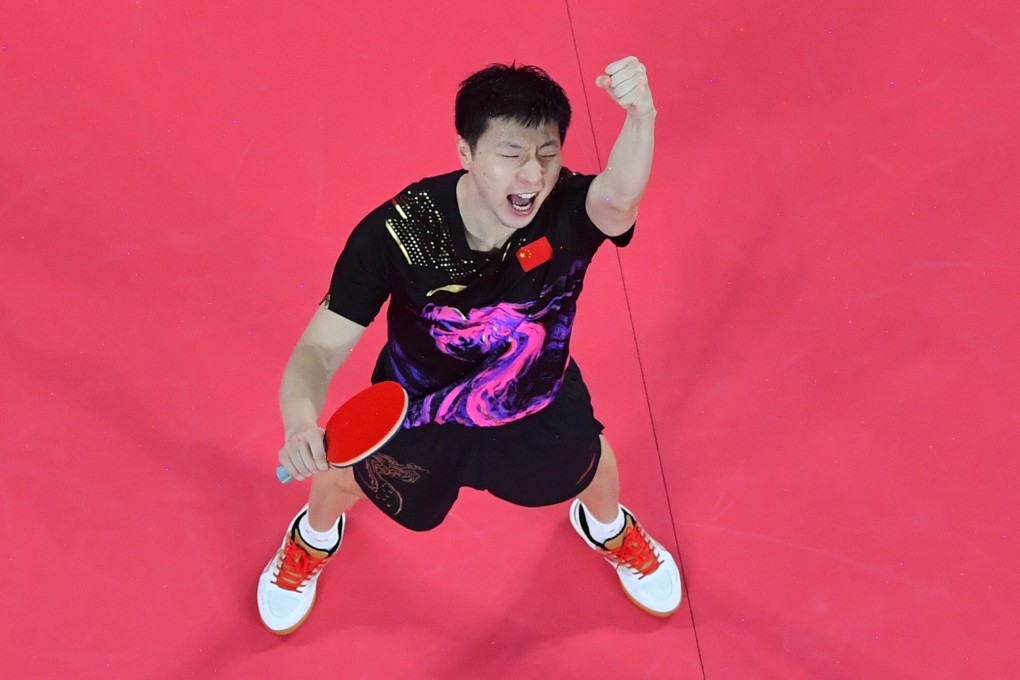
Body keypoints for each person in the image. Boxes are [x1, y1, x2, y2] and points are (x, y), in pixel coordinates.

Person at [257, 56, 681, 635]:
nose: (533, 175)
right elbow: (318, 353)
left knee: (597, 466)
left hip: (533, 397)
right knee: (338, 476)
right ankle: (312, 538)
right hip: (414, 406)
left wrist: (642, 116)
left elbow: (620, 197)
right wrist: (300, 423)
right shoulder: (400, 231)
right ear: (466, 153)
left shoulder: (567, 210)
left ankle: (606, 528)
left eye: (547, 153)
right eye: (511, 154)